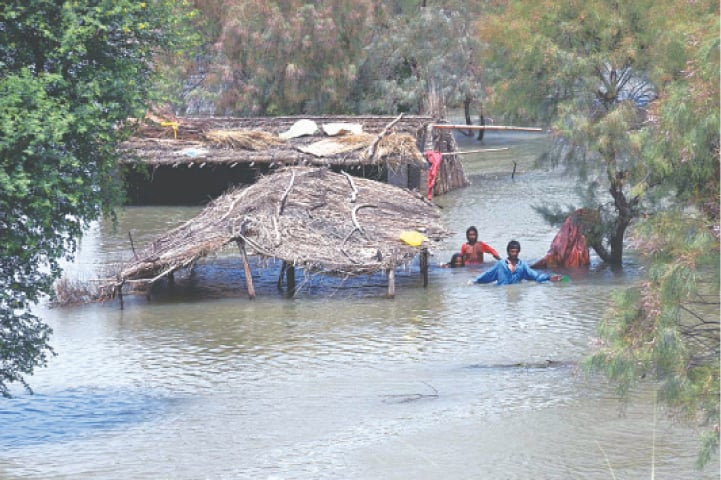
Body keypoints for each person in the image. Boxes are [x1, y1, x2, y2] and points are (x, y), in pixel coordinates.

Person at [470, 240, 563, 285]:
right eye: (512, 251)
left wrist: (549, 278)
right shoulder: (500, 265)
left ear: (519, 252)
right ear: (508, 252)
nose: (514, 254)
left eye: (516, 251)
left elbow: (535, 275)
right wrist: (474, 281)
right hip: (501, 292)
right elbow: (487, 275)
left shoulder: (522, 265)